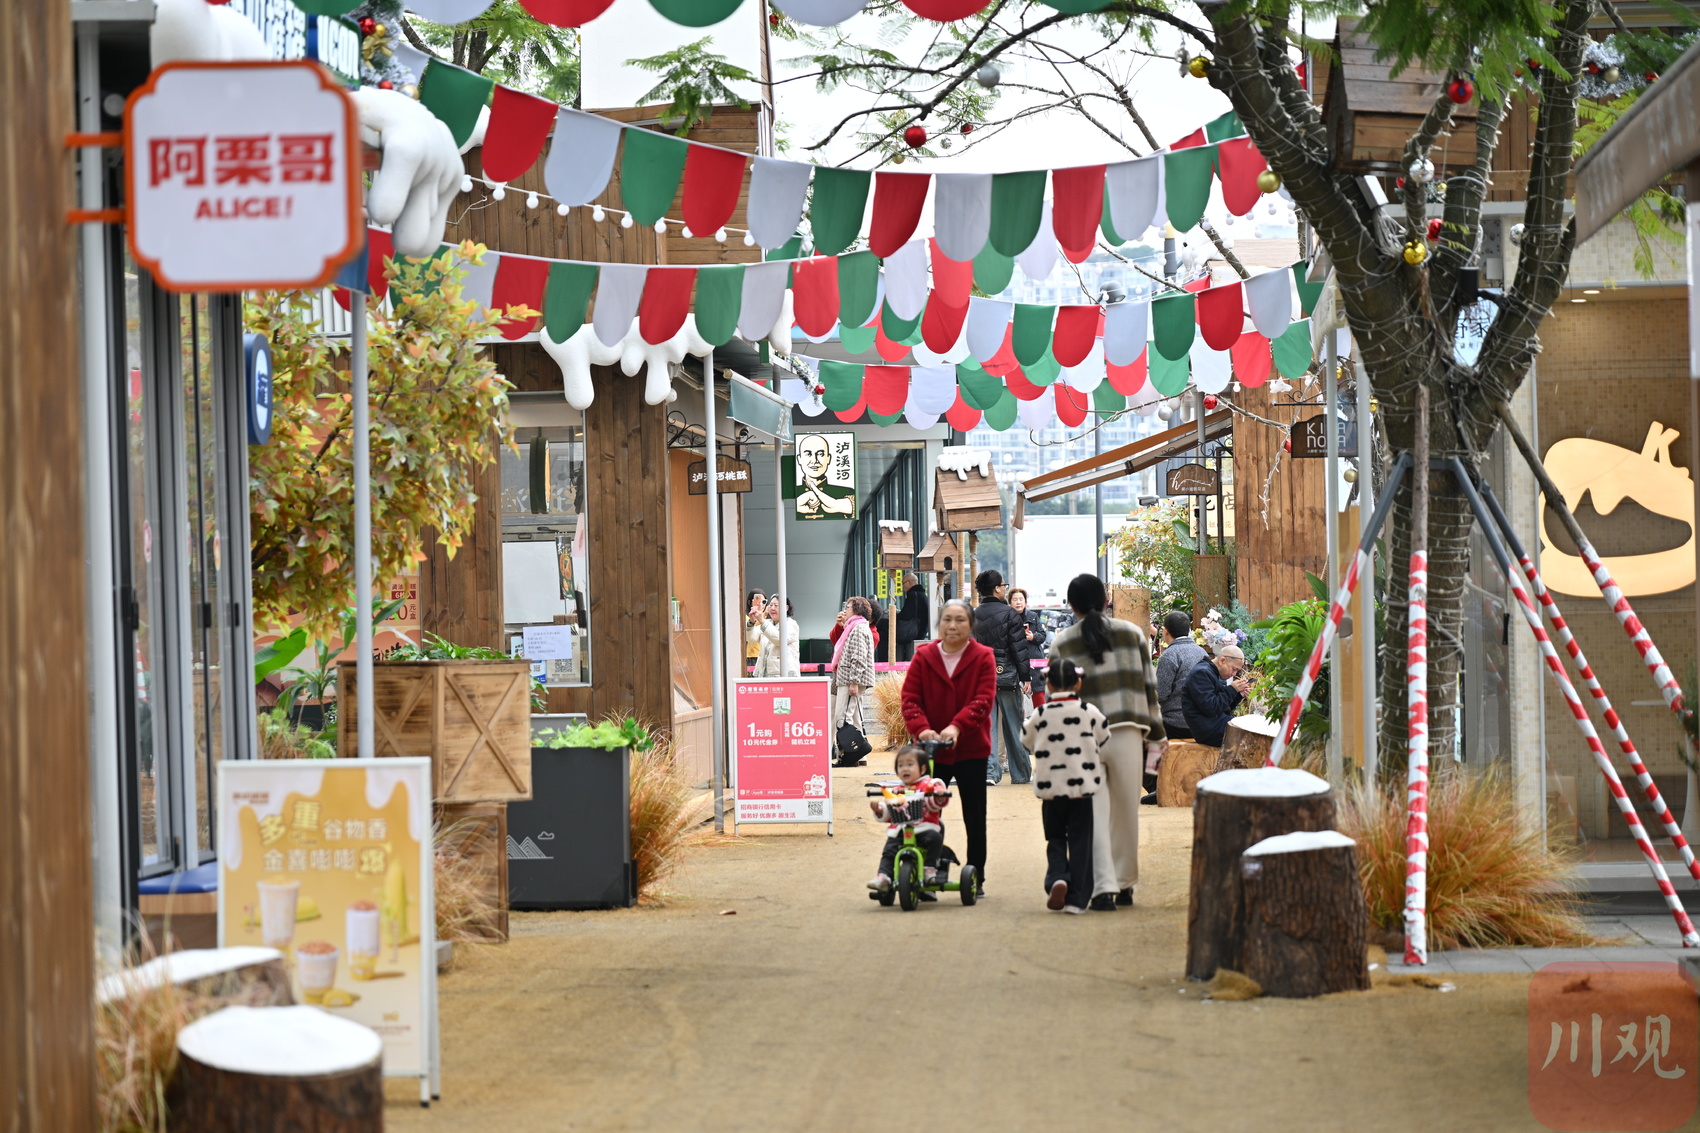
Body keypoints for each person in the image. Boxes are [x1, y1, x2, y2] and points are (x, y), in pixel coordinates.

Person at [1049, 573, 1167, 912]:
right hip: (1128, 732)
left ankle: (1102, 890)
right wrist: (1157, 734)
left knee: (1093, 813)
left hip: (1083, 736)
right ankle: (1125, 883)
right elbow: (1149, 687)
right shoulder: (1132, 635)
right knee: (1126, 811)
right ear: (1105, 601)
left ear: (1071, 605)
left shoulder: (1062, 642)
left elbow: (1056, 697)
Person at [901, 599, 996, 896]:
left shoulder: (983, 657)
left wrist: (956, 727)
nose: (953, 625)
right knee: (924, 814)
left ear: (971, 625)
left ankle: (977, 875)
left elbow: (983, 700)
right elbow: (910, 699)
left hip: (971, 749)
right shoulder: (924, 656)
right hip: (930, 751)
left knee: (974, 816)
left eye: (960, 620)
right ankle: (926, 871)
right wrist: (922, 729)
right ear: (939, 624)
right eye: (947, 619)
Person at [1022, 658, 1108, 914]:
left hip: (1051, 790)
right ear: (1079, 683)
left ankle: (1058, 877)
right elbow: (1104, 735)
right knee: (1081, 841)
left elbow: (1026, 740)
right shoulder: (1088, 711)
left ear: (1048, 685)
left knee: (1056, 837)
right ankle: (1077, 900)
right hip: (1082, 789)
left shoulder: (1040, 714)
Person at [972, 570, 1033, 787]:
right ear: (997, 588)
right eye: (1004, 585)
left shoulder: (973, 614)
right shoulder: (1010, 614)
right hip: (1007, 676)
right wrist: (1026, 677)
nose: (1006, 588)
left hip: (981, 678)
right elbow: (1019, 650)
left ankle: (989, 773)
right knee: (1013, 725)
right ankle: (1021, 773)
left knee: (987, 727)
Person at [866, 745, 951, 893]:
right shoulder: (898, 789)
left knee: (935, 838)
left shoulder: (929, 785)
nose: (905, 769)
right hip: (902, 829)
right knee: (889, 850)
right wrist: (880, 809)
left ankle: (929, 868)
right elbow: (892, 809)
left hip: (924, 827)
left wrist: (940, 795)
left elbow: (936, 802)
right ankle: (884, 876)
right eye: (901, 765)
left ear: (922, 769)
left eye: (910, 765)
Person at [831, 596, 877, 766]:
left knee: (842, 718)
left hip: (850, 679)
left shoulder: (857, 629)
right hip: (850, 679)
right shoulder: (857, 626)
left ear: (857, 609)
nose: (845, 610)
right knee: (853, 717)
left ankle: (846, 757)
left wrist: (854, 682)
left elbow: (858, 658)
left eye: (848, 607)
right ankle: (859, 757)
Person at [1182, 644, 1251, 747]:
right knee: (1253, 731)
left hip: (1216, 725)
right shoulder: (1202, 673)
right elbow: (1211, 708)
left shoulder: (1214, 673)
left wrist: (1238, 695)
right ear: (1222, 660)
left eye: (1237, 671)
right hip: (1209, 731)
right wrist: (1232, 689)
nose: (1234, 674)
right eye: (1234, 669)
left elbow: (1223, 708)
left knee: (1255, 724)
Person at [1155, 611, 1206, 741]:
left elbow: (1160, 694)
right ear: (1189, 631)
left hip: (1175, 723)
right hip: (1201, 722)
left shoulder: (1169, 655)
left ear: (1165, 631)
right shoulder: (1202, 652)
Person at [795, 433, 855, 518]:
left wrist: (837, 504)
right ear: (799, 459)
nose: (814, 460)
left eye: (820, 454)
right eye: (808, 454)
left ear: (828, 458)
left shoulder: (846, 493)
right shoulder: (792, 493)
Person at [1008, 587, 1049, 709]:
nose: (1018, 602)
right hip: (1016, 662)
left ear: (1025, 602)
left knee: (1039, 695)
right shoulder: (1007, 618)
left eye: (1021, 599)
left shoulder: (1033, 616)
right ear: (1010, 602)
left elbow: (1043, 635)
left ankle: (1041, 718)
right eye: (1015, 599)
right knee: (1017, 698)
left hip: (1035, 662)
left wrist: (1033, 637)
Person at [753, 597, 799, 678]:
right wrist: (751, 622)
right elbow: (751, 638)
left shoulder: (791, 624)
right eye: (770, 605)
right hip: (764, 675)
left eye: (776, 605)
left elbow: (779, 640)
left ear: (786, 608)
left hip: (784, 676)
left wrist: (762, 621)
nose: (772, 608)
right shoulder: (767, 623)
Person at [895, 571, 930, 662]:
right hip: (921, 631)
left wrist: (895, 616)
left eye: (903, 583)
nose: (903, 587)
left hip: (913, 632)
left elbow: (906, 615)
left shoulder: (913, 595)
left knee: (883, 625)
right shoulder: (922, 595)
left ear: (909, 582)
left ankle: (885, 661)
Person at [744, 589, 766, 675]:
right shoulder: (745, 618)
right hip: (750, 656)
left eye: (763, 602)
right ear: (750, 602)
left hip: (765, 654)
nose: (760, 604)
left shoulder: (768, 618)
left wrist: (764, 616)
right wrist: (753, 619)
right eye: (757, 601)